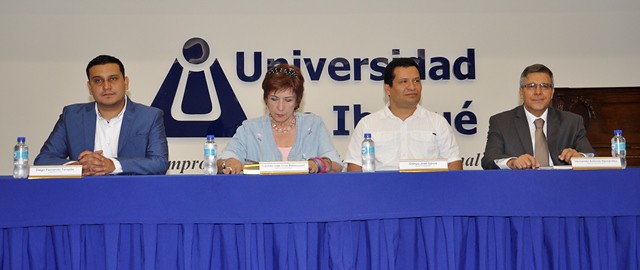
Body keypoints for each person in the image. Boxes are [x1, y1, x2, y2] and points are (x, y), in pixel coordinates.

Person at [34, 55, 169, 175]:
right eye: (98, 81)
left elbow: (159, 163)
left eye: (113, 79)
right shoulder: (71, 116)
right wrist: (76, 167)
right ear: (90, 87)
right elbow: (43, 160)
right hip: (83, 195)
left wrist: (112, 165)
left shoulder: (149, 117)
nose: (106, 86)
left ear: (126, 82)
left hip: (132, 195)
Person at [217, 64, 342, 174]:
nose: (280, 107)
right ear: (265, 99)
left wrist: (319, 164)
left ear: (298, 101)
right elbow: (222, 161)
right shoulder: (250, 129)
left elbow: (336, 164)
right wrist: (229, 162)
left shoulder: (314, 125)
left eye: (288, 100)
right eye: (274, 99)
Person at [345, 58, 462, 171]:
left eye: (416, 81)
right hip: (380, 190)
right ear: (388, 89)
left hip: (427, 189)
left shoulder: (438, 123)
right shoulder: (367, 124)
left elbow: (454, 164)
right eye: (404, 82)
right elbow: (355, 168)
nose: (412, 87)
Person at [481, 64, 595, 170]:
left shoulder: (572, 122)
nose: (538, 92)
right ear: (521, 92)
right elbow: (489, 160)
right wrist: (512, 162)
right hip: (520, 186)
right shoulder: (501, 122)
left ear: (552, 92)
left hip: (561, 186)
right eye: (531, 86)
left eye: (544, 86)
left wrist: (579, 157)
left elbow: (591, 156)